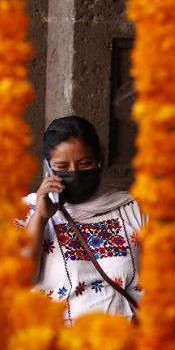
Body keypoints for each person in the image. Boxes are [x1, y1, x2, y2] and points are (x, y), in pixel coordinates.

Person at [19, 115, 146, 326]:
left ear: (100, 161)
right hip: (59, 347)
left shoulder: (132, 210)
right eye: (62, 166)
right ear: (47, 169)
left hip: (125, 345)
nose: (74, 174)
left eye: (85, 164)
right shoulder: (27, 212)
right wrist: (40, 218)